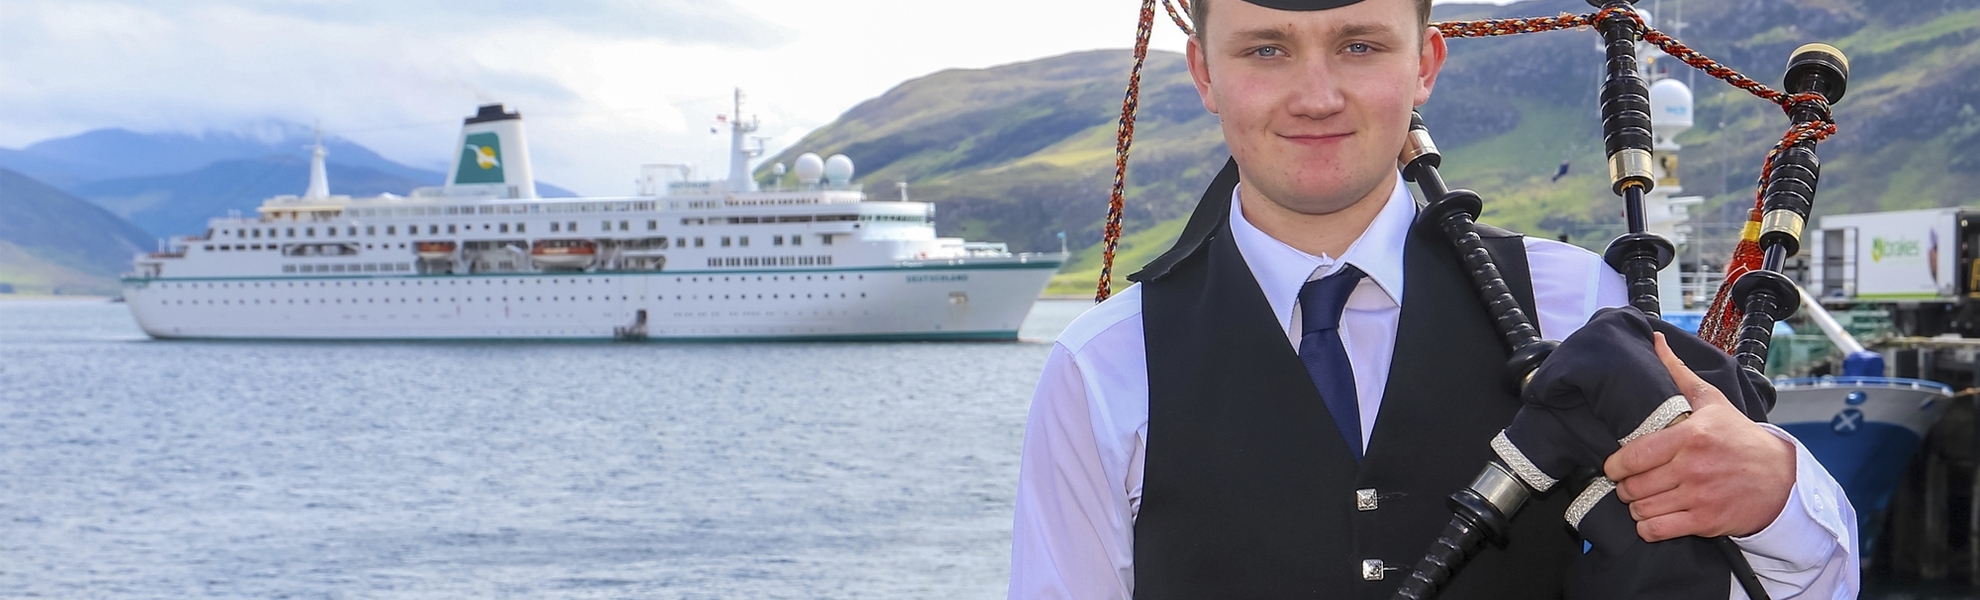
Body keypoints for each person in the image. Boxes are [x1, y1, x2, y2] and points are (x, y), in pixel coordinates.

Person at [1007, 0, 1858, 597]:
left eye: (1361, 45)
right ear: (1203, 72)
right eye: (1265, 48)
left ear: (1426, 65)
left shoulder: (1575, 306)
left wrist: (1776, 495)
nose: (1316, 96)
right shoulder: (1104, 365)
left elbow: (1758, 586)